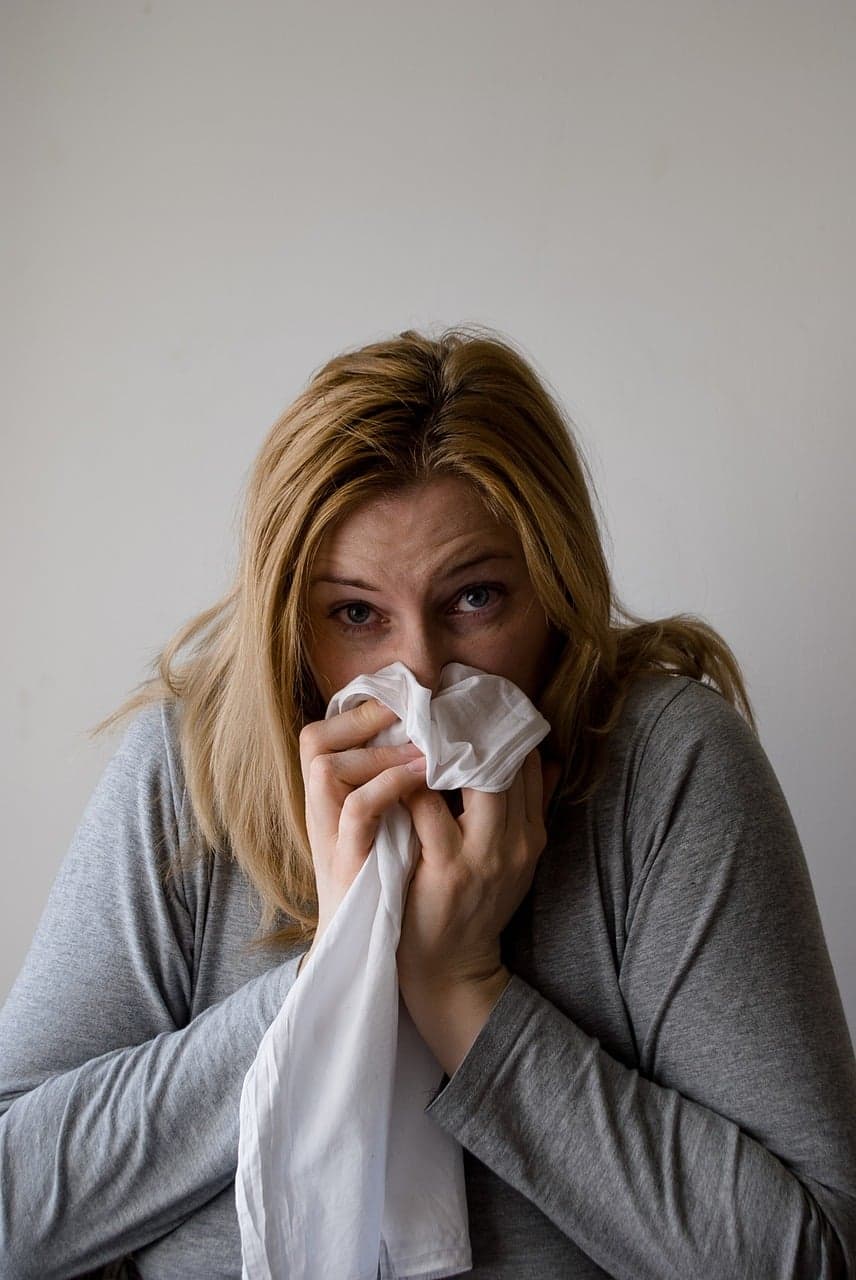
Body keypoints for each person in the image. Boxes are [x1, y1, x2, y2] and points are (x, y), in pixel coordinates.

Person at [0, 325, 854, 1280]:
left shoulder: (661, 768)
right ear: (292, 622)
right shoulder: (192, 768)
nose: (417, 674)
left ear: (556, 592)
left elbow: (815, 1253)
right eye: (356, 615)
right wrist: (339, 975)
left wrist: (462, 992)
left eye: (476, 599)